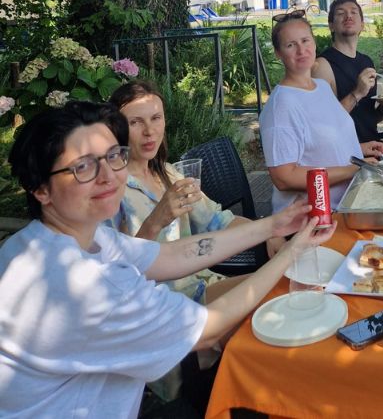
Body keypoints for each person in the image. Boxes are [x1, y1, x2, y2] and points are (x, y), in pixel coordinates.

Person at [0, 101, 333, 419]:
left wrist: (274, 225)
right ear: (40, 189)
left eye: (112, 156)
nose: (109, 176)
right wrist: (292, 252)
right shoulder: (80, 284)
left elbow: (171, 255)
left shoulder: (60, 240)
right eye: (83, 166)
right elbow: (206, 330)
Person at [108, 80, 256, 401]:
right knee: (258, 332)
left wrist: (272, 234)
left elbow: (219, 220)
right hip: (164, 311)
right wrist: (156, 219)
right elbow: (118, 274)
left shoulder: (169, 174)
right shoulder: (111, 191)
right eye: (136, 122)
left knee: (273, 293)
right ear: (117, 128)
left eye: (156, 118)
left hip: (199, 286)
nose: (149, 131)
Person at [262, 12, 383, 218]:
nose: (301, 50)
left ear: (314, 43)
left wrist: (360, 149)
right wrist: (352, 169)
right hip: (314, 219)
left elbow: (323, 141)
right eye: (291, 45)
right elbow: (284, 177)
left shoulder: (321, 86)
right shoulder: (281, 105)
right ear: (278, 53)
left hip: (351, 202)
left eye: (305, 40)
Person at [312, 0, 383, 142]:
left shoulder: (366, 62)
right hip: (347, 158)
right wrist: (357, 93)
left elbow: (368, 120)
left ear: (362, 25)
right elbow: (324, 125)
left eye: (354, 12)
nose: (348, 15)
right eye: (341, 13)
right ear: (331, 26)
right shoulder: (322, 66)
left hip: (374, 150)